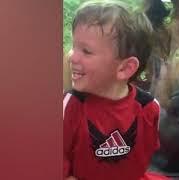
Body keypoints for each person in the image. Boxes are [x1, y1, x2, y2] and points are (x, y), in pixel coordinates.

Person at [63, 1, 166, 179]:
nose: (72, 57)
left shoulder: (149, 108)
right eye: (74, 47)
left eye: (86, 51)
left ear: (125, 69)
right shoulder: (70, 107)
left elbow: (142, 160)